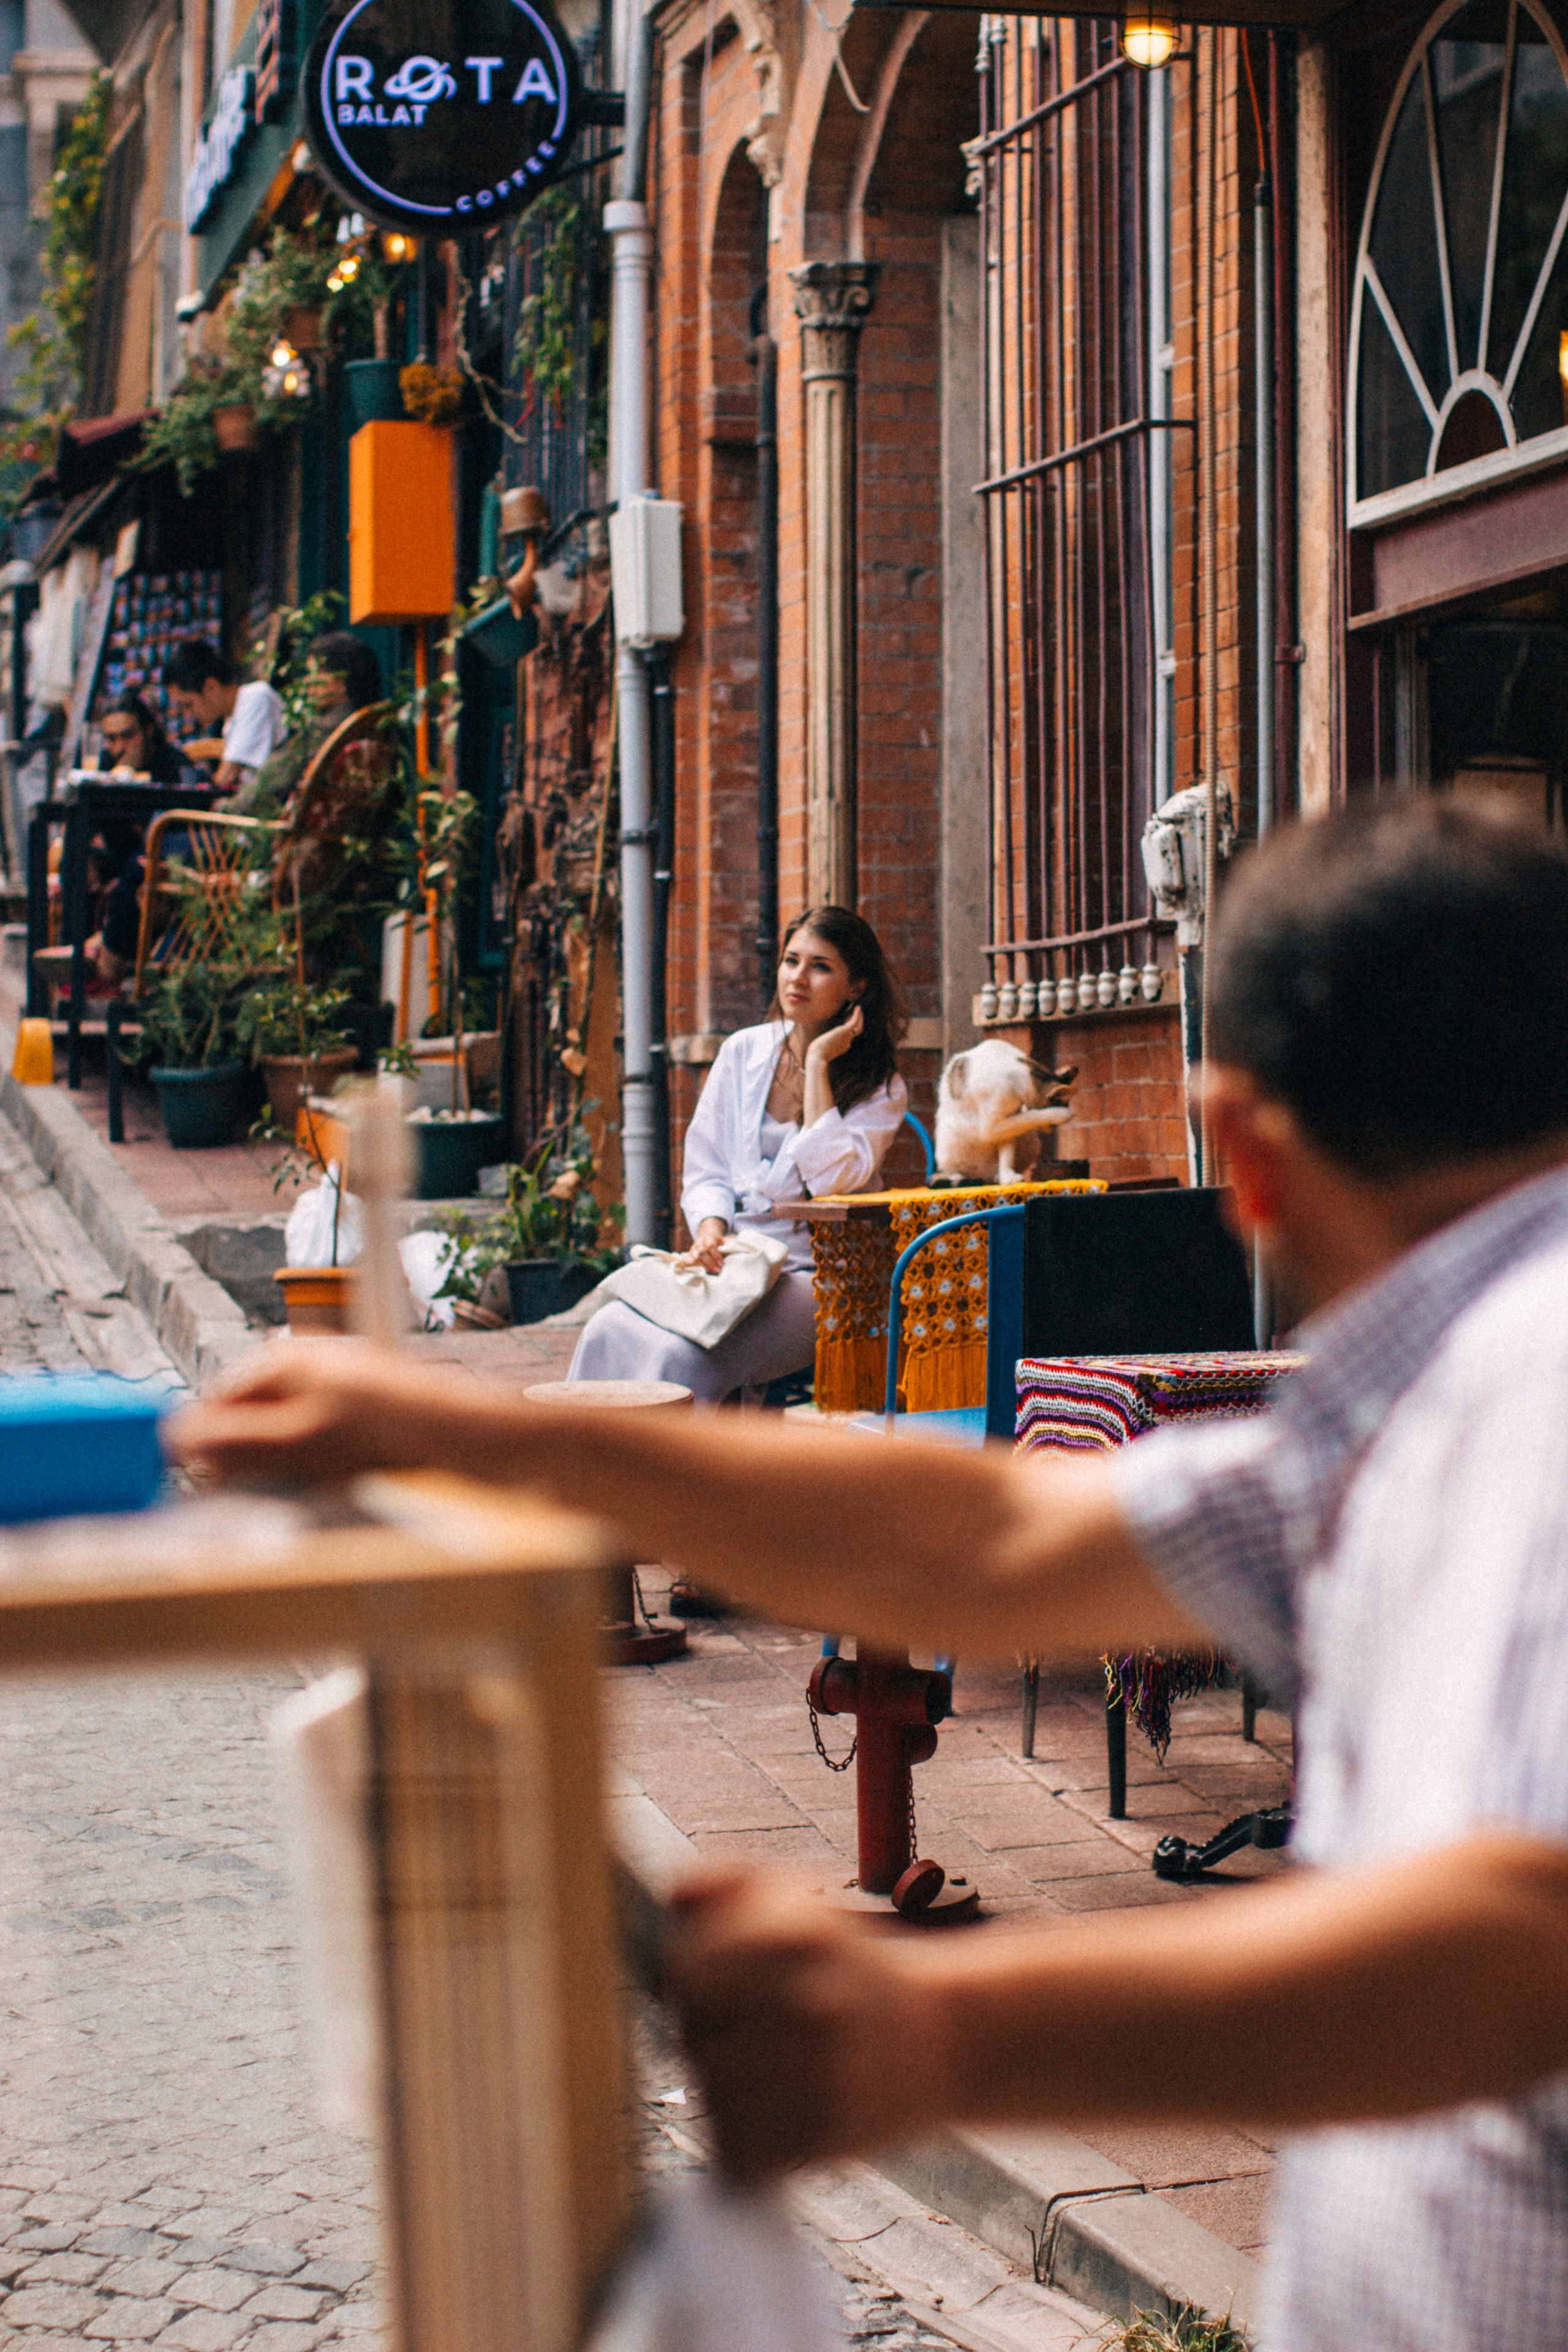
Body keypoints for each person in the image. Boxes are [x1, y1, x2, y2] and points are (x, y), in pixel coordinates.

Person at [173, 801, 1568, 2349]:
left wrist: (940, 2034)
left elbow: (1521, 1949)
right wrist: (482, 1436)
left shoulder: (1530, 1376)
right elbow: (994, 1539)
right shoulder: (1418, 1392)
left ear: (1236, 1149)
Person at [567, 906, 909, 1403]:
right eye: (791, 961)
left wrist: (817, 1064)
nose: (798, 978)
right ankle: (584, 1474)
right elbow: (707, 1168)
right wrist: (711, 1232)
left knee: (678, 1358)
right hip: (733, 1262)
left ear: (855, 987)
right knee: (608, 1326)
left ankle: (683, 1478)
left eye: (821, 966)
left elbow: (833, 1181)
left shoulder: (881, 1087)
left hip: (816, 1276)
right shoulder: (743, 1052)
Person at [83, 695, 203, 981]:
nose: (120, 747)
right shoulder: (106, 768)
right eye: (111, 739)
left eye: (128, 736)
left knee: (138, 867)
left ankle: (106, 957)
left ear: (148, 731)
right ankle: (78, 958)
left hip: (164, 858)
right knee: (76, 858)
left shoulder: (172, 764)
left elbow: (192, 818)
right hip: (122, 855)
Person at [234, 631, 385, 823]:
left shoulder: (322, 734)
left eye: (318, 672)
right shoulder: (370, 726)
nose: (307, 682)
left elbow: (263, 789)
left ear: (343, 682)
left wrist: (224, 807)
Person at [164, 641, 286, 796]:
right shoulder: (231, 720)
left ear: (211, 687)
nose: (188, 715)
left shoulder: (255, 697)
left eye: (189, 705)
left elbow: (227, 777)